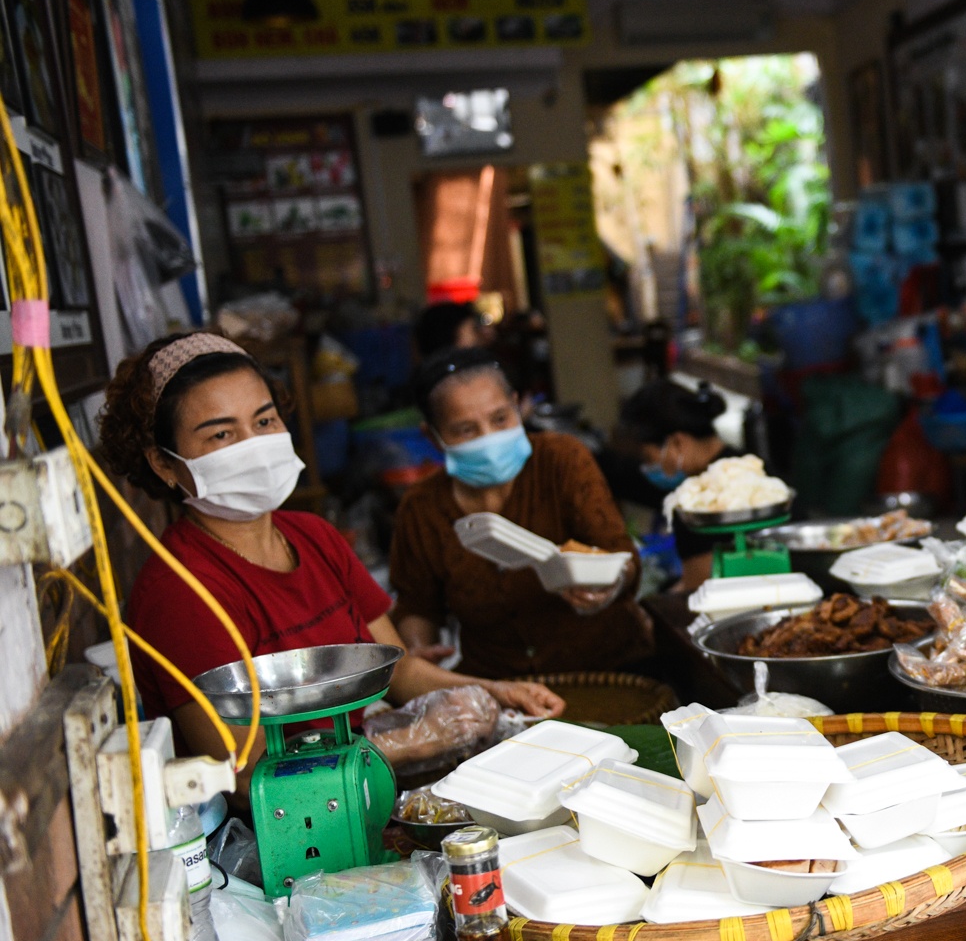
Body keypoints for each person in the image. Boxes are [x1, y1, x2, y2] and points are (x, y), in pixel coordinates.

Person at [98, 334, 565, 780]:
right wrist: (411, 742)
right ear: (163, 463)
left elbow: (397, 670)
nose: (254, 446)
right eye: (221, 435)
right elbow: (246, 776)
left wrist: (491, 692)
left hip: (364, 793)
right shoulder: (179, 593)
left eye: (264, 422)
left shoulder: (314, 536)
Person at [390, 348, 655, 678]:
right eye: (466, 430)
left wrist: (608, 583)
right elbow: (417, 605)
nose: (490, 438)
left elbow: (620, 554)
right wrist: (417, 651)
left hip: (609, 669)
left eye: (501, 419)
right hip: (499, 683)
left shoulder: (562, 460)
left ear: (518, 405)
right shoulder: (422, 508)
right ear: (432, 436)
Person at [601, 379, 739, 590]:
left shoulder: (699, 503)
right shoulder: (743, 466)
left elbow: (701, 589)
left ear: (677, 443)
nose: (648, 468)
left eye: (648, 458)